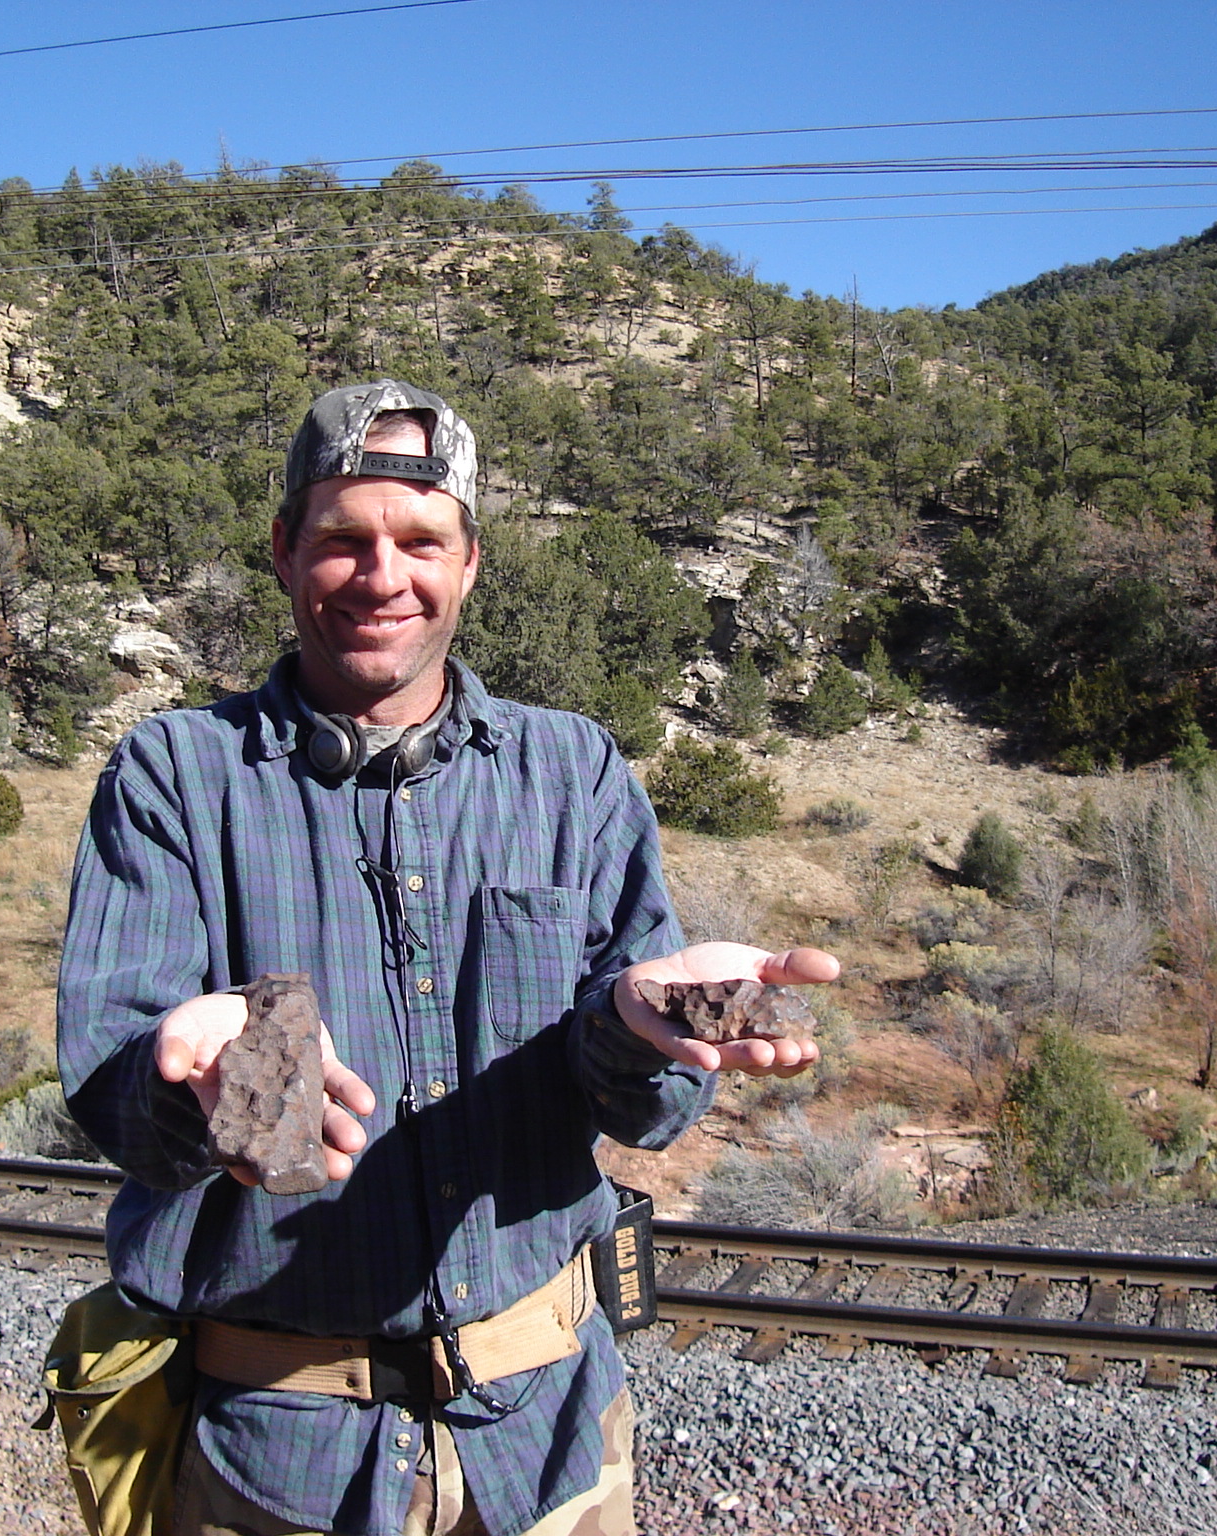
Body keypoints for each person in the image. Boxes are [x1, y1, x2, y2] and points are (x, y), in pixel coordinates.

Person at [57, 379, 837, 1536]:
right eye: (342, 540)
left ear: (468, 561)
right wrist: (197, 1079)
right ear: (282, 553)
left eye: (419, 540)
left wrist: (635, 1024)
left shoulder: (572, 774)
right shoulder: (175, 774)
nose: (383, 575)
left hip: (550, 1451)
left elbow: (647, 1109)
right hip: (271, 1468)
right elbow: (121, 1102)